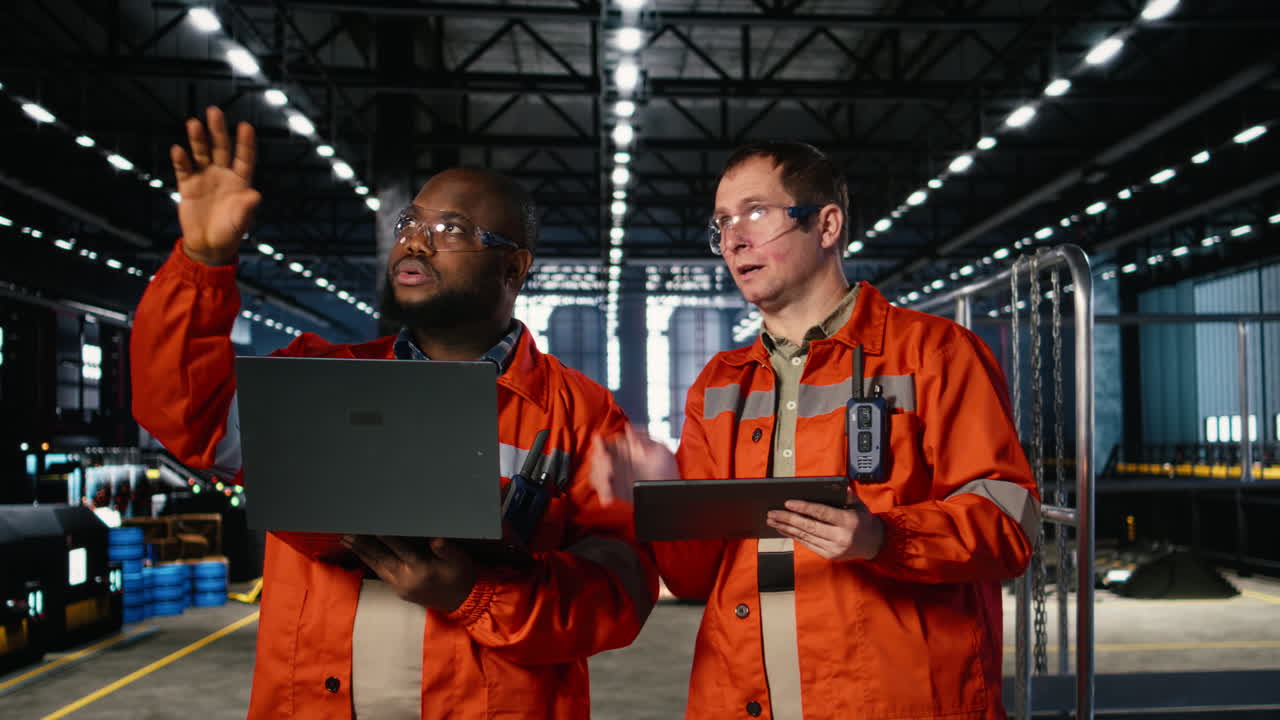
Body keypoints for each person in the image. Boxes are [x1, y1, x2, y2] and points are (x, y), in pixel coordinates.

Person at [131, 106, 658, 719]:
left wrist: (473, 593)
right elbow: (183, 414)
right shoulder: (318, 380)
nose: (414, 239)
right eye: (410, 222)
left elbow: (622, 592)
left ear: (513, 268)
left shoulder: (583, 418)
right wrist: (203, 261)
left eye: (452, 229)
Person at [591, 141, 1039, 720]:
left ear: (826, 224)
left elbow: (1008, 523)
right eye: (722, 222)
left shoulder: (936, 354)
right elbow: (695, 575)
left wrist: (884, 537)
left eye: (755, 212)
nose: (732, 238)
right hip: (741, 696)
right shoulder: (719, 384)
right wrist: (658, 498)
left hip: (898, 700)